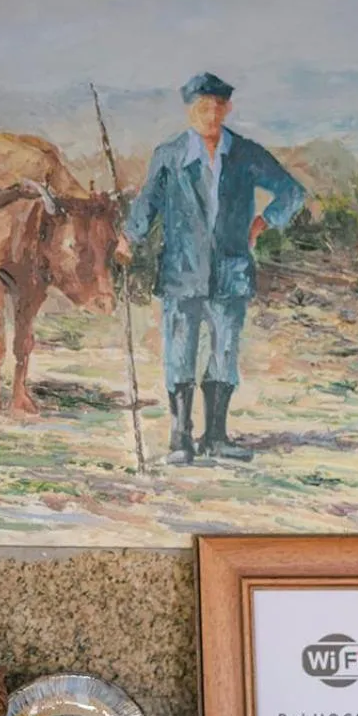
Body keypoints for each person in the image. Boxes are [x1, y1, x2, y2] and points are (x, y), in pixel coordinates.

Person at [124, 72, 306, 465]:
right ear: (190, 110)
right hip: (181, 272)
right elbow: (146, 206)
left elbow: (293, 192)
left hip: (230, 271)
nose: (210, 114)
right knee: (180, 353)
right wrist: (128, 237)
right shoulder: (169, 155)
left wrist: (264, 221)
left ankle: (217, 437)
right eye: (202, 107)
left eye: (216, 107)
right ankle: (180, 439)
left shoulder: (245, 153)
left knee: (224, 351)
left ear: (227, 109)